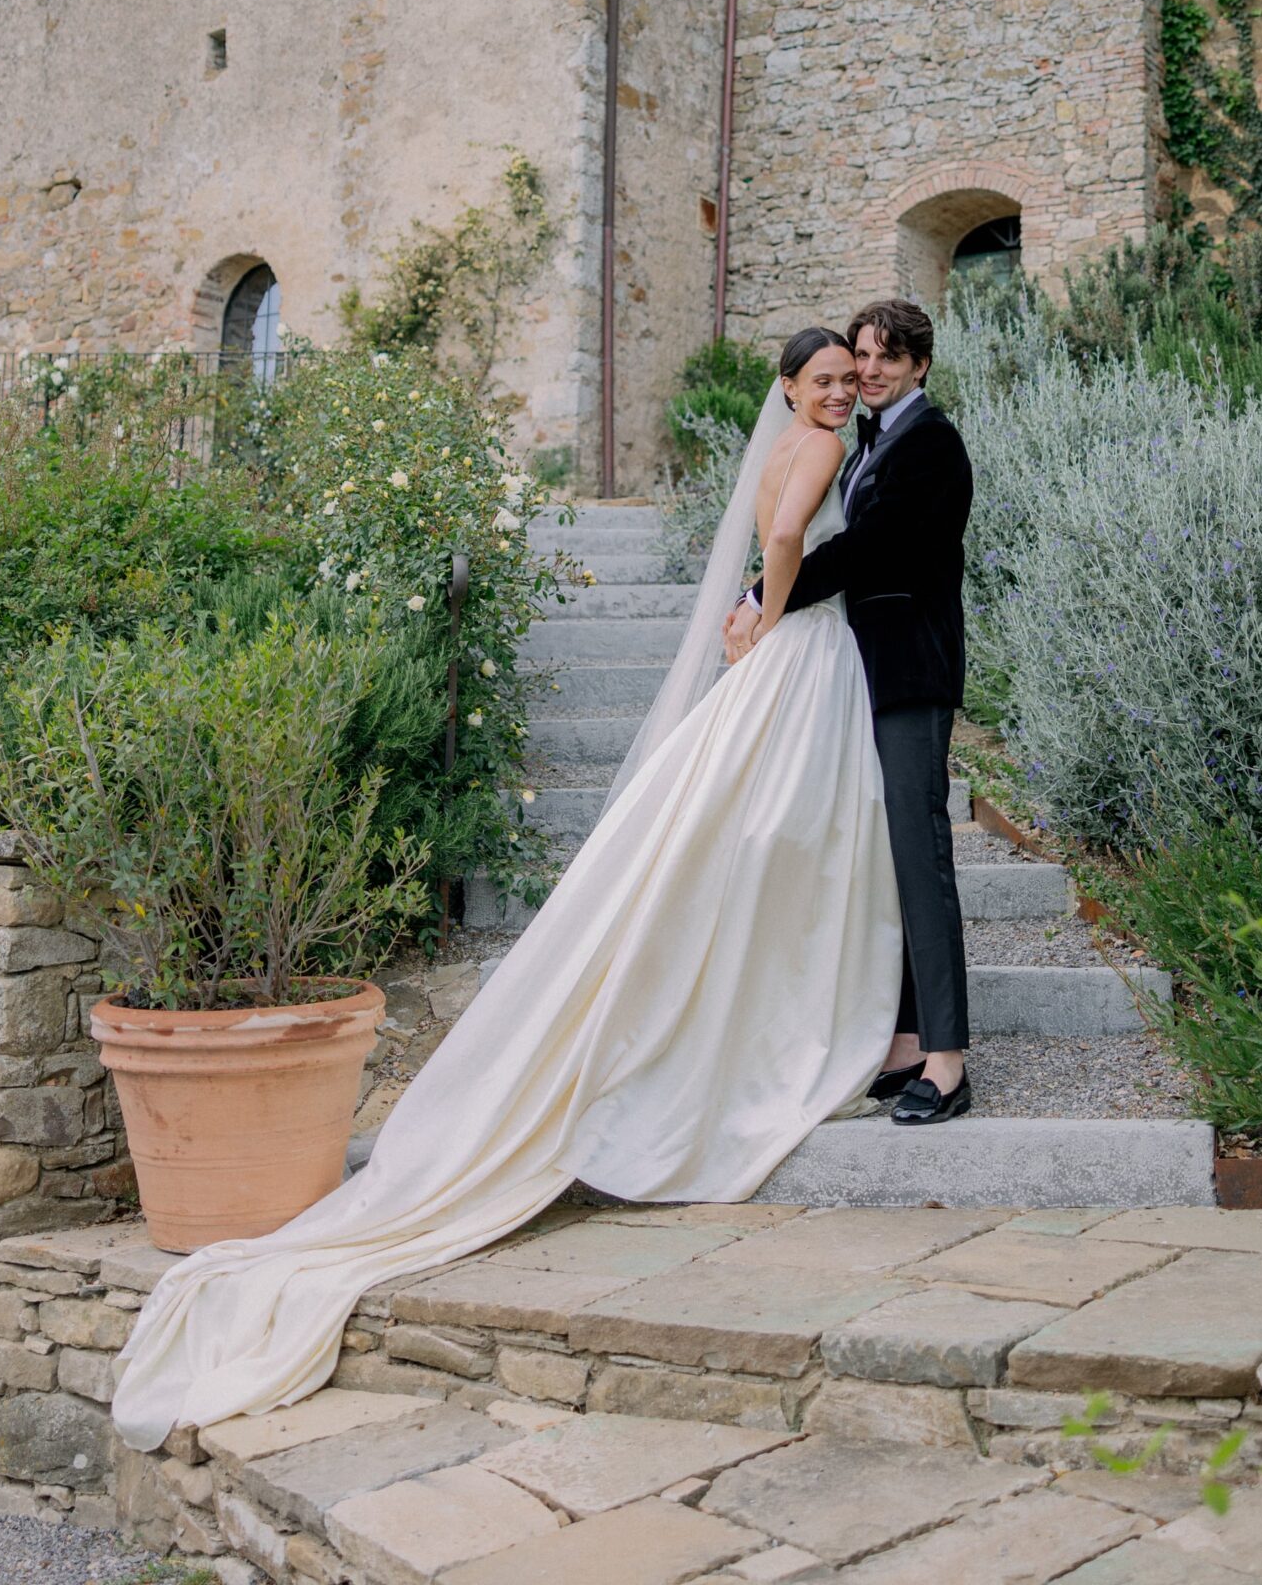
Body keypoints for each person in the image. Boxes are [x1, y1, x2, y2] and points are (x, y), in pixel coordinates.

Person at [109, 327, 902, 1451]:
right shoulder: (819, 451)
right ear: (789, 389)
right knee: (798, 831)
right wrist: (773, 615)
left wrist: (751, 611)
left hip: (776, 644)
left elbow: (766, 531)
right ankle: (784, 1018)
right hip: (803, 651)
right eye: (819, 379)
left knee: (746, 831)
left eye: (841, 378)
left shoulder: (789, 440)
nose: (834, 390)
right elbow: (783, 533)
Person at [726, 298, 973, 1123]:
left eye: (887, 358)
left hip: (908, 675)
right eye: (861, 356)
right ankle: (902, 1039)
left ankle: (946, 1059)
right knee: (879, 856)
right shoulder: (867, 440)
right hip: (855, 672)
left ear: (920, 366)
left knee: (919, 853)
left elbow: (871, 549)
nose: (869, 371)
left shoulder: (930, 442)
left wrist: (764, 597)